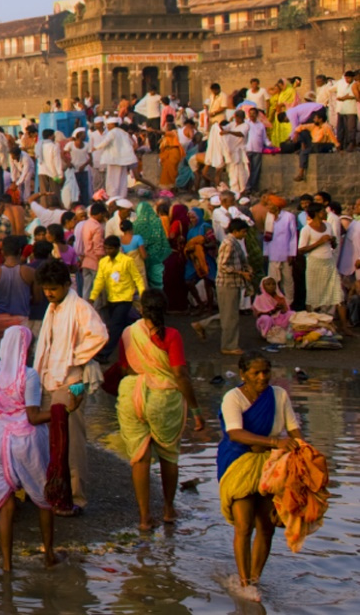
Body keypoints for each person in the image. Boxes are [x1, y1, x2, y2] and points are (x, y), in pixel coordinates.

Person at [112, 290, 204, 531]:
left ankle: (144, 518)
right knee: (168, 454)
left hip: (132, 394)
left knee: (139, 457)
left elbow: (125, 368)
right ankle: (168, 509)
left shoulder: (128, 333)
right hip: (164, 398)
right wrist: (196, 410)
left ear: (141, 309)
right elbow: (180, 375)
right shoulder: (172, 335)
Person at [216, 355, 304, 602]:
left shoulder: (279, 396)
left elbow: (294, 429)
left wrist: (305, 453)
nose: (262, 377)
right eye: (256, 373)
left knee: (266, 527)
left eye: (266, 371)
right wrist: (276, 441)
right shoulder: (232, 398)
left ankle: (254, 580)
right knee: (244, 525)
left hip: (270, 466)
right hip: (239, 463)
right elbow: (235, 433)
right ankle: (244, 583)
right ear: (243, 374)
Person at [0, 325, 62, 571]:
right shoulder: (29, 376)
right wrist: (63, 411)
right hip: (27, 441)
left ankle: (7, 564)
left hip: (0, 439)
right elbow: (34, 416)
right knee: (43, 499)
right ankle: (48, 554)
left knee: (5, 503)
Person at [33, 261, 106, 510]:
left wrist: (72, 356)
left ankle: (76, 497)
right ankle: (53, 489)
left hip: (72, 382)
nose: (49, 293)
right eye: (46, 289)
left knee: (72, 442)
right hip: (48, 379)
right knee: (48, 439)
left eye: (53, 289)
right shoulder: (53, 307)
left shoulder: (79, 307)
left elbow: (100, 335)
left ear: (67, 285)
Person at [191, 219, 253, 355]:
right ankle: (229, 346)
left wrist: (246, 268)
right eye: (243, 232)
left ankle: (203, 325)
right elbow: (223, 265)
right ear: (235, 231)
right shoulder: (229, 244)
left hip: (233, 282)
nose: (245, 235)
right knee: (231, 317)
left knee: (229, 314)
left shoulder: (234, 242)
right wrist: (241, 272)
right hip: (227, 283)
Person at [90, 236, 144, 364]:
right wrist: (92, 297)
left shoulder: (127, 261)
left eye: (111, 248)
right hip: (112, 300)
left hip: (125, 299)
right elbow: (99, 280)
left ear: (117, 248)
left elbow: (138, 279)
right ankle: (137, 350)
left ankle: (104, 354)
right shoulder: (103, 262)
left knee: (114, 327)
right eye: (106, 248)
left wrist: (143, 296)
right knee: (125, 327)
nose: (108, 251)